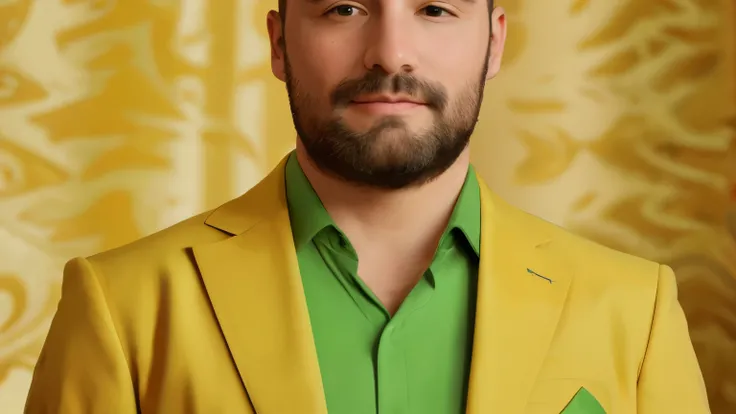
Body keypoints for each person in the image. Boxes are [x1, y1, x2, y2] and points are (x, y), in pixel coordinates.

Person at [25, 0, 710, 413]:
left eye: (435, 8)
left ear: (495, 41)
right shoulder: (122, 306)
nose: (390, 53)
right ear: (278, 43)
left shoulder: (634, 310)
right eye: (344, 7)